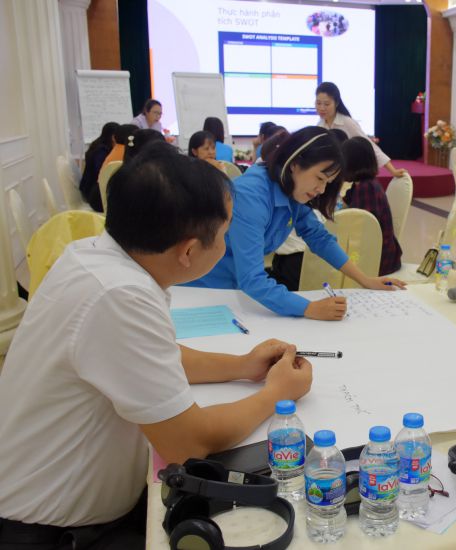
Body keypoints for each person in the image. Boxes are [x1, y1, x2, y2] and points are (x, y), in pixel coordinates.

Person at [0, 142, 313, 549]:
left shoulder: (95, 256)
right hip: (50, 529)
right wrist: (277, 394)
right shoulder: (120, 297)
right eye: (223, 234)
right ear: (188, 251)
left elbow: (153, 356)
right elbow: (189, 443)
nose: (226, 245)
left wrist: (242, 366)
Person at [189, 126, 406, 321]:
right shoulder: (251, 196)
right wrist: (309, 308)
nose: (321, 190)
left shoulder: (289, 189)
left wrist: (365, 279)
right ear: (295, 164)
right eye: (319, 178)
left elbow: (318, 237)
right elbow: (252, 279)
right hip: (203, 291)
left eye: (328, 183)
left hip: (236, 291)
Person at [315, 82, 407, 178]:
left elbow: (369, 145)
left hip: (348, 175)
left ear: (336, 103)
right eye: (318, 103)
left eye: (326, 104)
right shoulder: (320, 125)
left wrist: (393, 171)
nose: (321, 108)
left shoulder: (347, 122)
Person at [341, 137, 403, 275]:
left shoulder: (366, 188)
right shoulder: (361, 183)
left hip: (378, 260)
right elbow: (342, 204)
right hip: (378, 253)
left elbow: (364, 230)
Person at [79, 121, 118, 212]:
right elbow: (101, 172)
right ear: (113, 137)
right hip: (93, 193)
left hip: (90, 189)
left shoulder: (97, 145)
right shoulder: (101, 151)